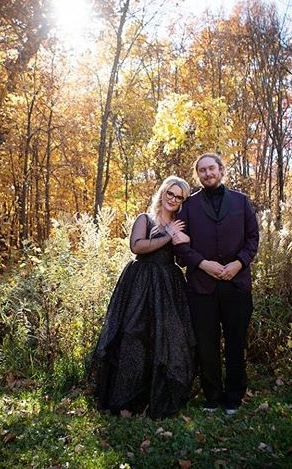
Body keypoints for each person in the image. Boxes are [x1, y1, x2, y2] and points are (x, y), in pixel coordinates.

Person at [88, 176, 196, 418]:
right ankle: (125, 398)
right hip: (141, 283)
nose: (173, 199)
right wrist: (168, 236)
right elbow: (136, 246)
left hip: (168, 285)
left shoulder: (180, 224)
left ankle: (157, 395)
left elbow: (182, 258)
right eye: (170, 193)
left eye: (179, 197)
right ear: (163, 192)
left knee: (167, 338)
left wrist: (185, 240)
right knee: (133, 335)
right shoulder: (145, 219)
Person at [171, 153, 259, 415]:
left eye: (211, 168)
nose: (208, 173)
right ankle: (212, 396)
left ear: (221, 170)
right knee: (206, 344)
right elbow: (180, 246)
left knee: (236, 342)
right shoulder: (188, 206)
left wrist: (238, 264)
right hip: (201, 286)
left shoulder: (241, 201)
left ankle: (233, 396)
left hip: (236, 284)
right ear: (198, 174)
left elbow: (253, 238)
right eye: (202, 170)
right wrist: (203, 264)